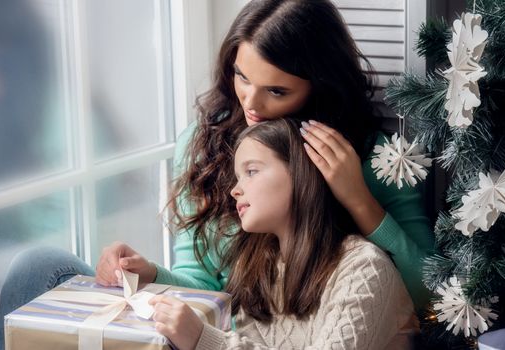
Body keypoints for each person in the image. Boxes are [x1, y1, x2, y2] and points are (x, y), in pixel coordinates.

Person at [0, 0, 434, 347]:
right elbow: (204, 287)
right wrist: (149, 272)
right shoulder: (204, 142)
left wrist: (357, 198)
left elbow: (426, 299)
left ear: (319, 86)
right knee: (40, 267)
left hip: (239, 341)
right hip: (209, 332)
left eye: (276, 90)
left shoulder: (369, 158)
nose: (252, 103)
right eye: (241, 76)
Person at [149, 118, 418, 349]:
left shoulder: (364, 267)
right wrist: (150, 275)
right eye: (237, 176)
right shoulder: (258, 265)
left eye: (251, 171)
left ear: (301, 173)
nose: (235, 190)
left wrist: (205, 340)